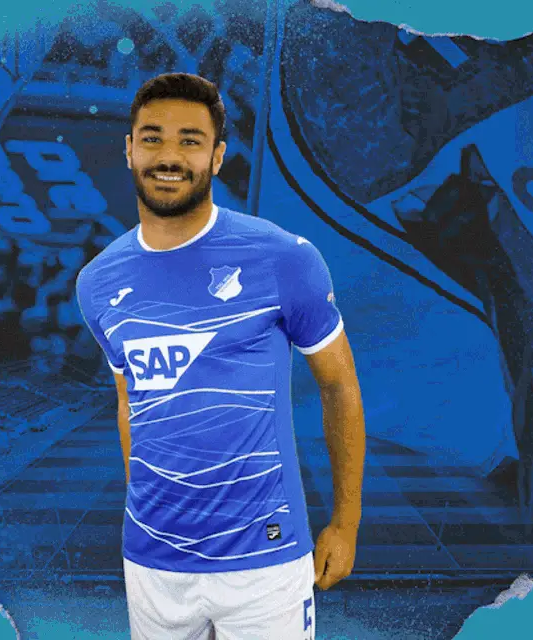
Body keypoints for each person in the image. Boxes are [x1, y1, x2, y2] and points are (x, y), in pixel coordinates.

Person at [76, 72, 366, 640]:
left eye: (190, 140)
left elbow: (339, 387)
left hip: (265, 559)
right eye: (153, 138)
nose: (169, 156)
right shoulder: (97, 282)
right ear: (130, 149)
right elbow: (130, 402)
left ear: (217, 155)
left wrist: (346, 523)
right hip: (153, 564)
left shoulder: (284, 258)